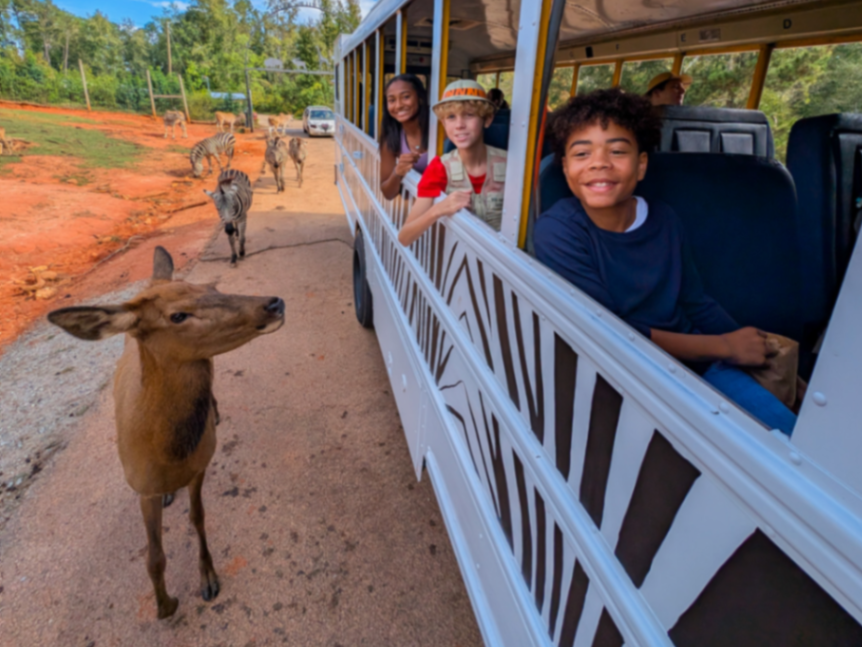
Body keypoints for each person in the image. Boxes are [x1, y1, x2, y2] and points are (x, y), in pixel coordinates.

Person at [533, 88, 796, 436]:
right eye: (582, 153)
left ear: (641, 165)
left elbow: (694, 300)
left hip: (698, 362)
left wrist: (750, 348)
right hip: (627, 374)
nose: (600, 162)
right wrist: (726, 347)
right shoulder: (558, 231)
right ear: (566, 168)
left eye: (617, 151)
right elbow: (611, 332)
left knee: (793, 440)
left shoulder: (664, 219)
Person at [398, 80, 507, 246]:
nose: (459, 125)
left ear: (487, 119)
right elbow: (405, 237)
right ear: (444, 123)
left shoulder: (510, 165)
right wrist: (439, 208)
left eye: (469, 115)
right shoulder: (439, 168)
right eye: (451, 117)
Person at [379, 74, 430, 200]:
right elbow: (387, 193)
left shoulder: (442, 130)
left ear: (420, 98)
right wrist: (398, 172)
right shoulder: (391, 140)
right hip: (419, 208)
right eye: (392, 100)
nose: (398, 105)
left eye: (406, 97)